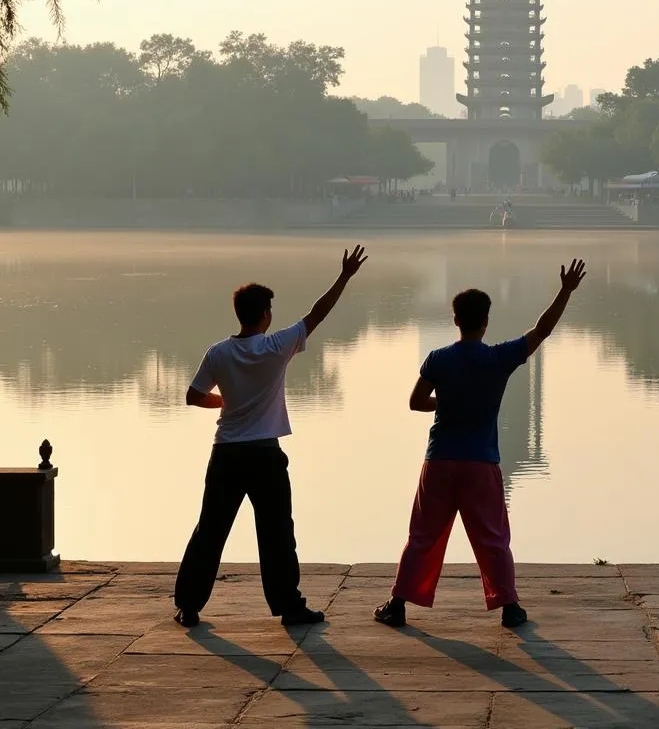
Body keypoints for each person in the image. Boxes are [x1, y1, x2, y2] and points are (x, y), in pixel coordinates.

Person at [373, 258, 587, 630]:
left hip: (439, 460)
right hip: (481, 462)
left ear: (455, 320)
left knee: (422, 535)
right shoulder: (498, 358)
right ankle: (510, 608)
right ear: (486, 321)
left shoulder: (438, 359)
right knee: (493, 537)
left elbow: (415, 402)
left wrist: (447, 401)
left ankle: (398, 604)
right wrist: (565, 291)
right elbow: (542, 330)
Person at [173, 245, 368, 628]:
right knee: (277, 532)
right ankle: (289, 606)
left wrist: (225, 402)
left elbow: (192, 396)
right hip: (265, 455)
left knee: (210, 530)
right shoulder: (277, 347)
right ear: (265, 315)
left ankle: (189, 606)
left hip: (227, 453)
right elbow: (317, 314)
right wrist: (344, 276)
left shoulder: (219, 352)